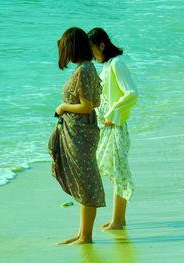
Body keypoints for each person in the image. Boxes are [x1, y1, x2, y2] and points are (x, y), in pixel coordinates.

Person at [48, 27, 105, 245]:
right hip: (82, 132)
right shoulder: (88, 68)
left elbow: (88, 106)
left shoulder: (83, 71)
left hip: (80, 134)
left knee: (86, 181)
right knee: (84, 181)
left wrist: (63, 107)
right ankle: (82, 233)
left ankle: (86, 236)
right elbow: (97, 101)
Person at [88, 27, 138, 230]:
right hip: (107, 127)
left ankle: (118, 220)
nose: (91, 55)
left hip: (116, 127)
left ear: (102, 45)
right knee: (110, 169)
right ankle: (118, 218)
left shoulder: (117, 64)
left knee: (118, 171)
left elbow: (132, 93)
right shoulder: (107, 66)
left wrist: (113, 115)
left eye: (92, 50)